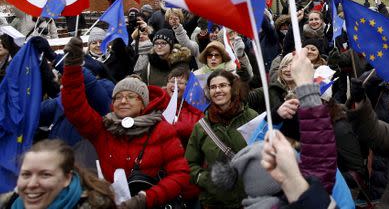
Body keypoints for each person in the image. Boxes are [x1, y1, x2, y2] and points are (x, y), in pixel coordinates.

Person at [60, 37, 190, 209]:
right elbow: (75, 107)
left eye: (131, 97)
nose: (123, 101)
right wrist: (72, 67)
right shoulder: (104, 128)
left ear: (143, 103)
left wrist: (145, 199)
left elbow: (180, 175)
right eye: (118, 97)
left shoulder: (161, 130)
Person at [185, 69, 258, 209]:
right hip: (215, 202)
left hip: (251, 198)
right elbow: (190, 164)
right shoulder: (201, 127)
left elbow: (265, 152)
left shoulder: (252, 117)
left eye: (223, 85)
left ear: (233, 88)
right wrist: (206, 179)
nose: (217, 90)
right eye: (213, 87)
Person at [1, 139, 115, 209]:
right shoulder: (8, 205)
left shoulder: (97, 205)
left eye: (45, 175)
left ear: (67, 178)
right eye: (26, 174)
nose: (31, 184)